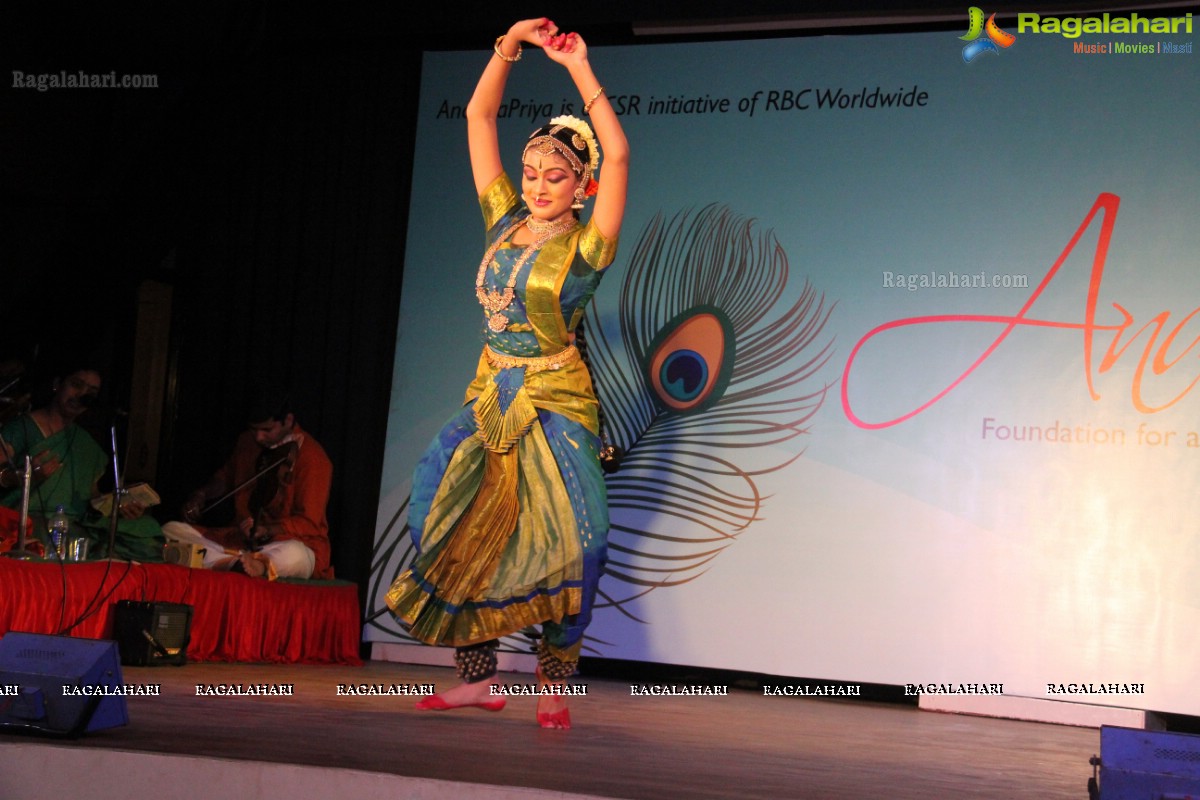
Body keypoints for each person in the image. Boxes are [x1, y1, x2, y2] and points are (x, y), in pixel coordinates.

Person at [385, 17, 629, 729]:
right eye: (531, 173)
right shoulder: (501, 219)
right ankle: (479, 677)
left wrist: (580, 68)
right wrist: (509, 46)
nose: (539, 185)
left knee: (577, 540)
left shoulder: (589, 247)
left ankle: (554, 684)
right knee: (441, 516)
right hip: (490, 392)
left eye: (556, 177)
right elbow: (478, 113)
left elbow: (616, 155)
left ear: (580, 187)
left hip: (556, 399)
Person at [162, 390, 333, 580]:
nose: (259, 437)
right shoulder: (246, 441)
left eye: (267, 430)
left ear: (288, 420)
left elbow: (309, 523)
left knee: (297, 556)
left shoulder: (313, 458)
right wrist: (201, 494)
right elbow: (225, 478)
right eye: (254, 429)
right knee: (171, 530)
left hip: (282, 544)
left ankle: (257, 564)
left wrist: (267, 529)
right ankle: (233, 563)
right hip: (240, 541)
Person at [0, 366, 163, 560]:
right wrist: (25, 476)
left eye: (91, 393)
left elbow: (91, 498)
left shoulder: (86, 444)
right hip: (30, 520)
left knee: (147, 529)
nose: (82, 394)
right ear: (57, 385)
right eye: (77, 385)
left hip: (73, 521)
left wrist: (118, 505)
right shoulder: (21, 428)